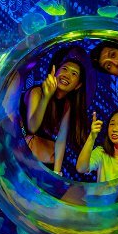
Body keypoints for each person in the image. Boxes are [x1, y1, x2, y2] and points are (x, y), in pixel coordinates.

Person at [20, 46, 90, 175]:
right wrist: (46, 97)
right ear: (55, 72)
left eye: (74, 74)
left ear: (78, 85)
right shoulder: (37, 92)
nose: (67, 75)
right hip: (20, 149)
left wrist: (57, 173)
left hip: (41, 155)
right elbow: (32, 127)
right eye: (64, 69)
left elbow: (61, 140)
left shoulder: (67, 104)